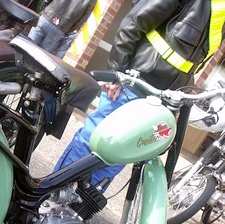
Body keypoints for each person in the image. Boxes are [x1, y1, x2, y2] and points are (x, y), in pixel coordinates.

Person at [53, 0, 225, 190]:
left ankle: (79, 209)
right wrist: (117, 73)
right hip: (133, 83)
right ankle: (50, 198)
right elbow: (134, 23)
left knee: (121, 153)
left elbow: (189, 61)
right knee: (93, 141)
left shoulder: (219, 9)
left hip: (161, 98)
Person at [27, 0, 97, 59]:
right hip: (61, 28)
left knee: (26, 46)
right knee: (40, 56)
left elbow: (47, 0)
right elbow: (82, 20)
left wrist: (45, 9)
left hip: (47, 16)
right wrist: (68, 29)